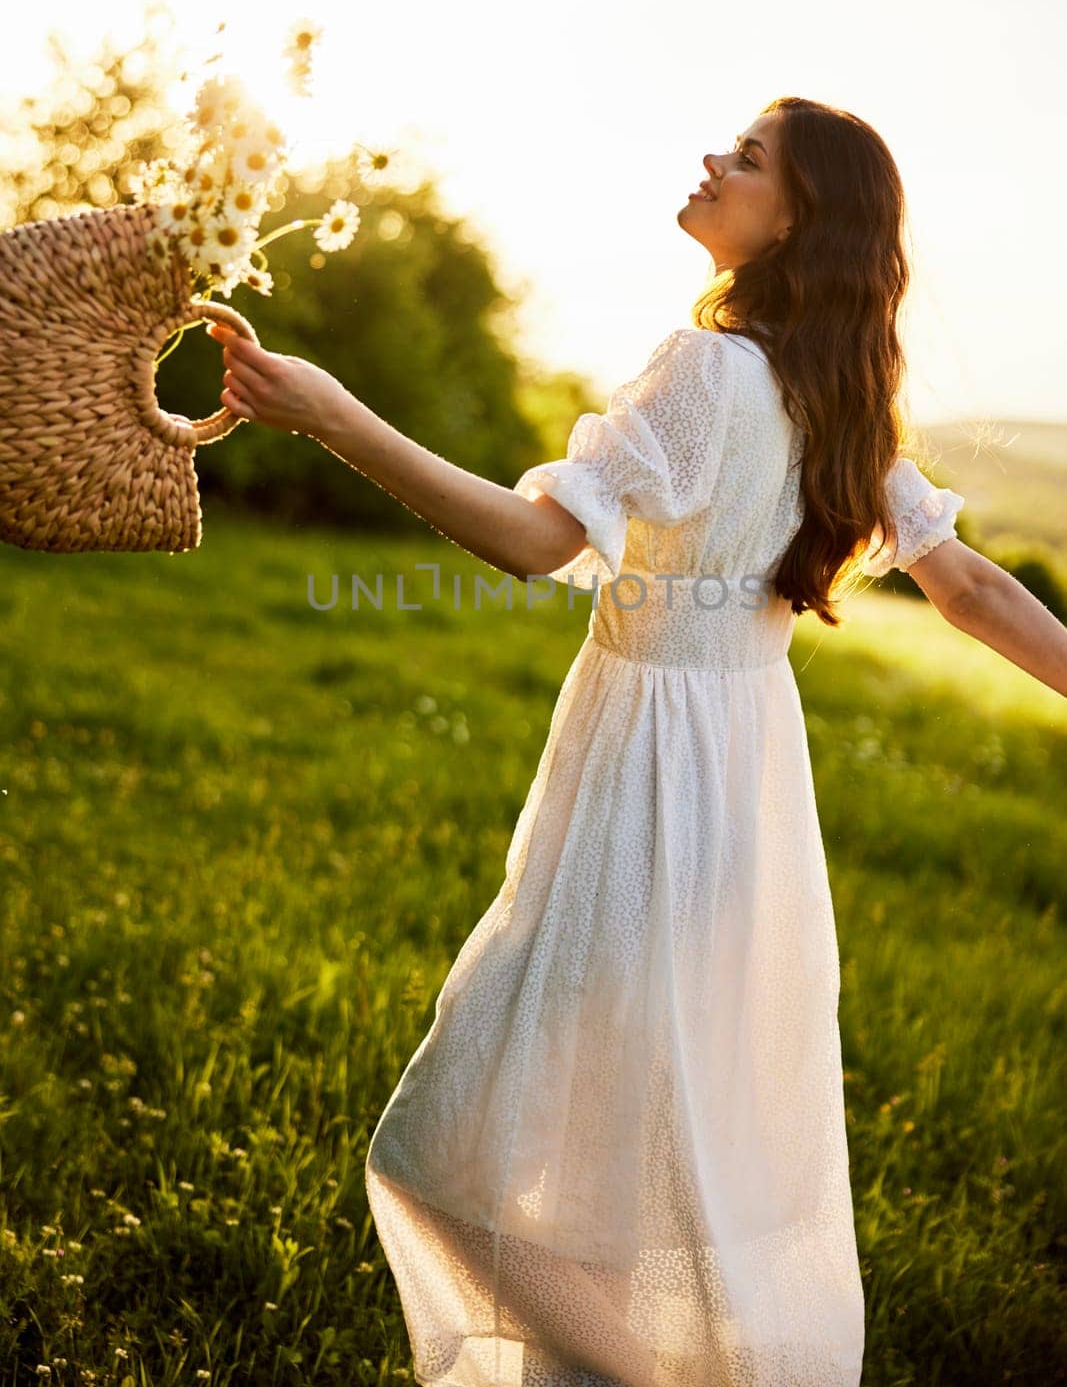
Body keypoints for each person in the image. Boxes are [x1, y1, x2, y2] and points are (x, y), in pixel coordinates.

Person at [207, 96, 1067, 1387]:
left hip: (648, 780)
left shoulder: (703, 370)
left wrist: (335, 416)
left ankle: (661, 1370)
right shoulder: (842, 402)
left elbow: (529, 541)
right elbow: (976, 591)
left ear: (797, 220)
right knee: (662, 1133)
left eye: (749, 158)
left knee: (453, 1151)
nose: (712, 162)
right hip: (747, 791)